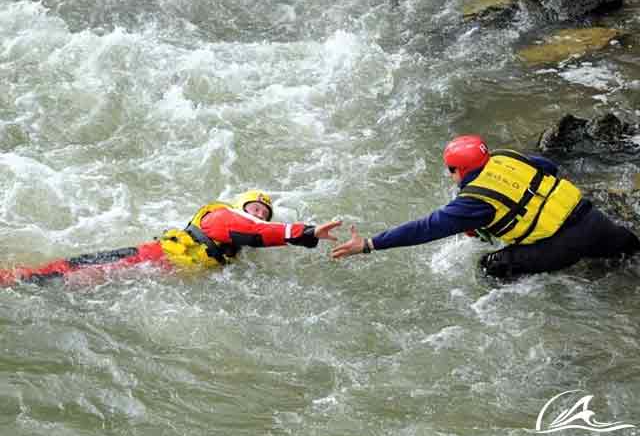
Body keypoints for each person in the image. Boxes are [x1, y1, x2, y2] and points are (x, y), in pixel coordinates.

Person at [331, 135, 640, 278]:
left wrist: (369, 244)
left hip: (561, 245)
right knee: (630, 251)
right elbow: (548, 166)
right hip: (593, 219)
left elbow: (425, 229)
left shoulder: (473, 202)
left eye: (449, 170)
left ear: (459, 171)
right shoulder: (505, 156)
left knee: (489, 267)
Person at [0, 190, 341, 286]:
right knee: (72, 275)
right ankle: (12, 279)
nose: (260, 214)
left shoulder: (240, 238)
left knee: (80, 280)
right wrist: (307, 233)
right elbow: (262, 235)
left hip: (160, 269)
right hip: (150, 258)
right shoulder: (224, 218)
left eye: (265, 212)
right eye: (255, 208)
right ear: (240, 207)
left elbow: (257, 235)